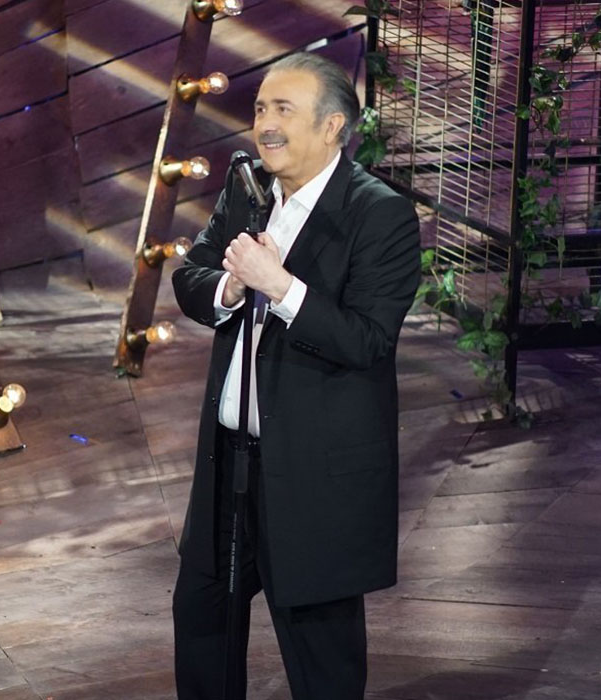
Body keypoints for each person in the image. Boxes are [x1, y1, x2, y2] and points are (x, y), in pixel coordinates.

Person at [170, 51, 421, 700]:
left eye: (284, 109)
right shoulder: (246, 188)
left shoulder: (380, 214)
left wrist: (279, 286)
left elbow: (367, 341)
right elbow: (191, 277)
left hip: (314, 474)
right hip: (229, 464)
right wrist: (231, 286)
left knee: (320, 657)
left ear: (333, 126)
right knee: (202, 621)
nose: (265, 125)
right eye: (260, 109)